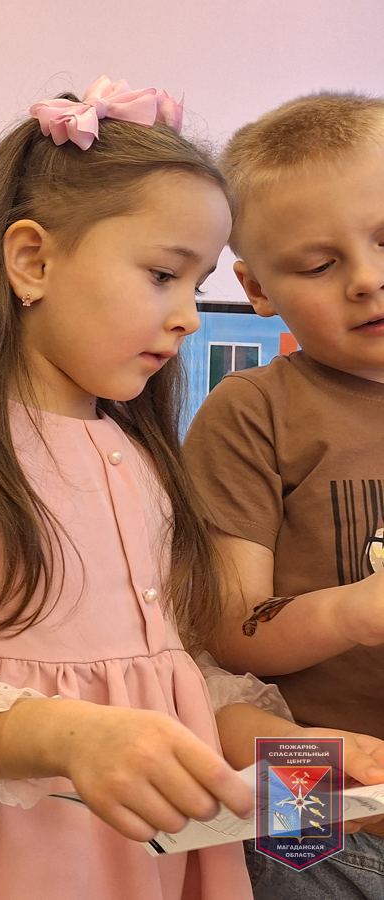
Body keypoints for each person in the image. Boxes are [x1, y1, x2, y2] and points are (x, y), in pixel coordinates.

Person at [0, 79, 252, 899]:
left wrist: (302, 752)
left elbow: (176, 673)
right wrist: (72, 737)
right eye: (162, 274)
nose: (187, 315)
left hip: (152, 857)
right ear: (32, 261)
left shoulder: (144, 458)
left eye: (197, 284)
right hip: (14, 856)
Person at [185, 91, 384, 897]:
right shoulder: (251, 411)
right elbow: (229, 632)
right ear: (257, 288)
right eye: (318, 264)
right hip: (310, 808)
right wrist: (352, 612)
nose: (367, 280)